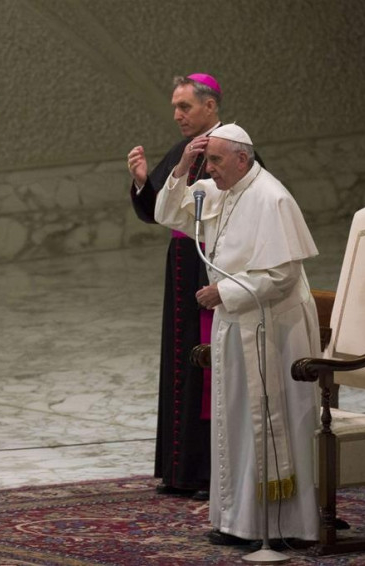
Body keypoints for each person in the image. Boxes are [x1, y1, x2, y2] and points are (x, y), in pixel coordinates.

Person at [153, 124, 320, 546]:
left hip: (273, 328)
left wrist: (223, 292)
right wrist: (183, 166)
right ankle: (238, 522)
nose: (208, 169)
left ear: (242, 159)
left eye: (215, 160)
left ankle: (284, 526)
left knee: (268, 425)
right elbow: (167, 213)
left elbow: (282, 274)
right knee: (236, 423)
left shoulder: (271, 198)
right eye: (206, 161)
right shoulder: (219, 192)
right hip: (236, 322)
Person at [126, 74, 223, 500]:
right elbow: (156, 211)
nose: (177, 115)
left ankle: (209, 472)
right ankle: (180, 470)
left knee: (207, 367)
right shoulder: (182, 150)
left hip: (213, 264)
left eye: (185, 106)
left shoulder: (232, 148)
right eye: (174, 108)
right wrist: (142, 181)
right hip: (182, 265)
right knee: (182, 360)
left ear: (210, 106)